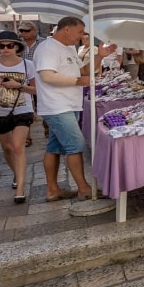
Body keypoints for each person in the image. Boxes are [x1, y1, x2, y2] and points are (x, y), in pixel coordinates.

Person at [34, 17, 115, 201]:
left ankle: (53, 190)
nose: (81, 36)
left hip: (68, 104)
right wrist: (76, 81)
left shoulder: (68, 49)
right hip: (56, 105)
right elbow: (47, 76)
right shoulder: (48, 48)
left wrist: (100, 56)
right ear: (66, 30)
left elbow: (84, 71)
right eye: (79, 32)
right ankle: (83, 188)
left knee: (54, 147)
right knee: (75, 145)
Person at [0, 31, 37, 204]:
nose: (5, 49)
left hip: (22, 110)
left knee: (17, 146)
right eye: (1, 45)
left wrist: (19, 85)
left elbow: (37, 90)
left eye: (10, 45)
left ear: (17, 47)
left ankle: (20, 189)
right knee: (7, 148)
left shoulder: (28, 65)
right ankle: (16, 174)